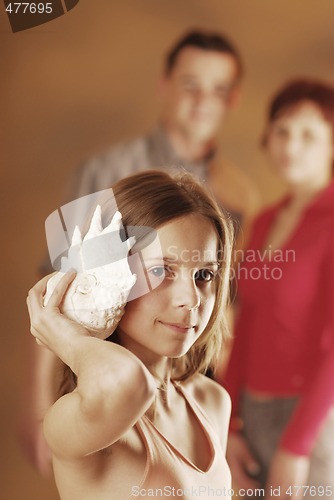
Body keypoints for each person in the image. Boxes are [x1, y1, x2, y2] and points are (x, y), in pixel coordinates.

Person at [18, 29, 259, 476]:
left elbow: (230, 307)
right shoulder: (106, 172)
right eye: (161, 271)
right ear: (164, 86)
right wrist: (43, 385)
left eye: (204, 275)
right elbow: (64, 280)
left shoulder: (236, 194)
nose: (203, 101)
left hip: (186, 370)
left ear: (233, 100)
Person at [26, 170, 234, 499]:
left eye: (204, 274)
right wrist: (63, 334)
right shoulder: (73, 420)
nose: (192, 299)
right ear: (108, 273)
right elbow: (128, 383)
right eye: (160, 271)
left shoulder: (211, 401)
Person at [220, 78, 334, 499]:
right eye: (282, 131)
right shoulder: (266, 220)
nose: (291, 145)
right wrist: (229, 423)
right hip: (253, 414)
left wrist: (296, 446)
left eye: (309, 134)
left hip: (314, 423)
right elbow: (246, 325)